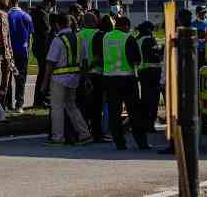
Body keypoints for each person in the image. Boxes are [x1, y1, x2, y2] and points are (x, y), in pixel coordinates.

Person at [94, 16, 149, 150]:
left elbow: (100, 56)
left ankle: (119, 142)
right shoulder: (128, 38)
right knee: (134, 111)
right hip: (127, 79)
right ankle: (141, 142)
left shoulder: (105, 37)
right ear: (125, 26)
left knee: (114, 112)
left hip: (109, 79)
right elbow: (136, 60)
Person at [40, 13, 91, 145]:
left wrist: (44, 83)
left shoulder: (58, 40)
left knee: (57, 108)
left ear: (57, 25)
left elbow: (50, 63)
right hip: (74, 78)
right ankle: (84, 134)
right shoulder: (79, 38)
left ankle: (58, 137)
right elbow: (85, 61)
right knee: (71, 106)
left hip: (59, 79)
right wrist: (84, 79)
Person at [77, 12, 106, 141]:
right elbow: (100, 56)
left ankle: (83, 131)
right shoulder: (99, 34)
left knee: (83, 104)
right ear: (95, 22)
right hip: (96, 73)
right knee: (97, 106)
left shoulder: (77, 35)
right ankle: (97, 133)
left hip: (80, 74)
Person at [6, 0, 34, 113]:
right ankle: (19, 105)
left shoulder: (6, 16)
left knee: (7, 78)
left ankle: (7, 104)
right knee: (21, 79)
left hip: (9, 52)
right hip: (23, 51)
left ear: (10, 0)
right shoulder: (27, 16)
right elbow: (30, 37)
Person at [29, 0, 57, 108]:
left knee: (42, 73)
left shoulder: (35, 12)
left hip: (37, 47)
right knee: (44, 74)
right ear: (49, 3)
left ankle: (39, 99)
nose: (52, 9)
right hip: (43, 48)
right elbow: (47, 30)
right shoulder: (43, 14)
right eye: (52, 7)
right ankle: (41, 99)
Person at [135, 21, 163, 130]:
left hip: (142, 71)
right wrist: (161, 50)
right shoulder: (148, 39)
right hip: (152, 71)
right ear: (148, 30)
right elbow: (154, 56)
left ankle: (144, 122)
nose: (152, 33)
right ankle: (150, 124)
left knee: (145, 98)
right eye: (151, 30)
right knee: (153, 99)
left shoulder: (137, 39)